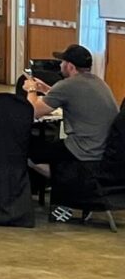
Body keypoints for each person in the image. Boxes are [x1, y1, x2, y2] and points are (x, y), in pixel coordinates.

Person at [24, 45, 119, 189]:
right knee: (51, 145)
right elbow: (72, 99)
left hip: (83, 151)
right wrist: (46, 89)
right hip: (104, 150)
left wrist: (31, 89)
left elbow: (32, 111)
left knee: (27, 149)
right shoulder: (99, 82)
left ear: (70, 66)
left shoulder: (67, 85)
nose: (60, 65)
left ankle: (63, 183)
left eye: (62, 62)